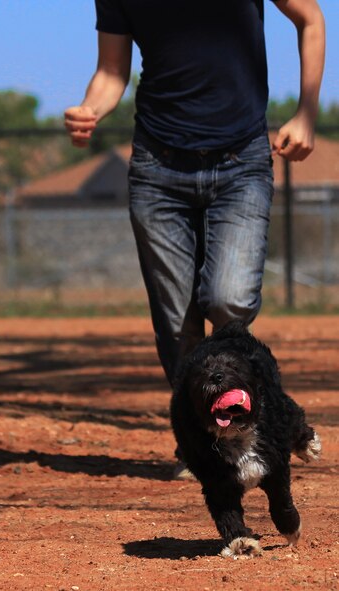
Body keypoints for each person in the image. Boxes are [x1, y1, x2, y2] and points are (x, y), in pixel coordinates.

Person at [65, 0, 325, 477]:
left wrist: (307, 112)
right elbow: (111, 71)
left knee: (228, 301)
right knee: (178, 321)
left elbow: (310, 18)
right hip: (157, 169)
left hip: (241, 163)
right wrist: (90, 107)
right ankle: (205, 437)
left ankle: (250, 411)